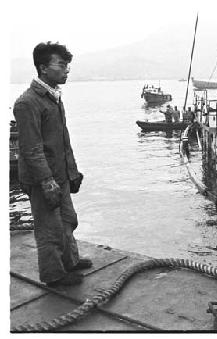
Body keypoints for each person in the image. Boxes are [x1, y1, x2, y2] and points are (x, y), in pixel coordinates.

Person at [13, 42, 92, 288]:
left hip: (61, 174)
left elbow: (62, 140)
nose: (67, 70)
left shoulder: (53, 98)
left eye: (67, 65)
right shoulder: (28, 103)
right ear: (43, 68)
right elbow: (31, 149)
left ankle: (70, 261)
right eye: (61, 65)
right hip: (43, 179)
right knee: (49, 228)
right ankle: (54, 275)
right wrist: (46, 181)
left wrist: (72, 170)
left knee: (68, 219)